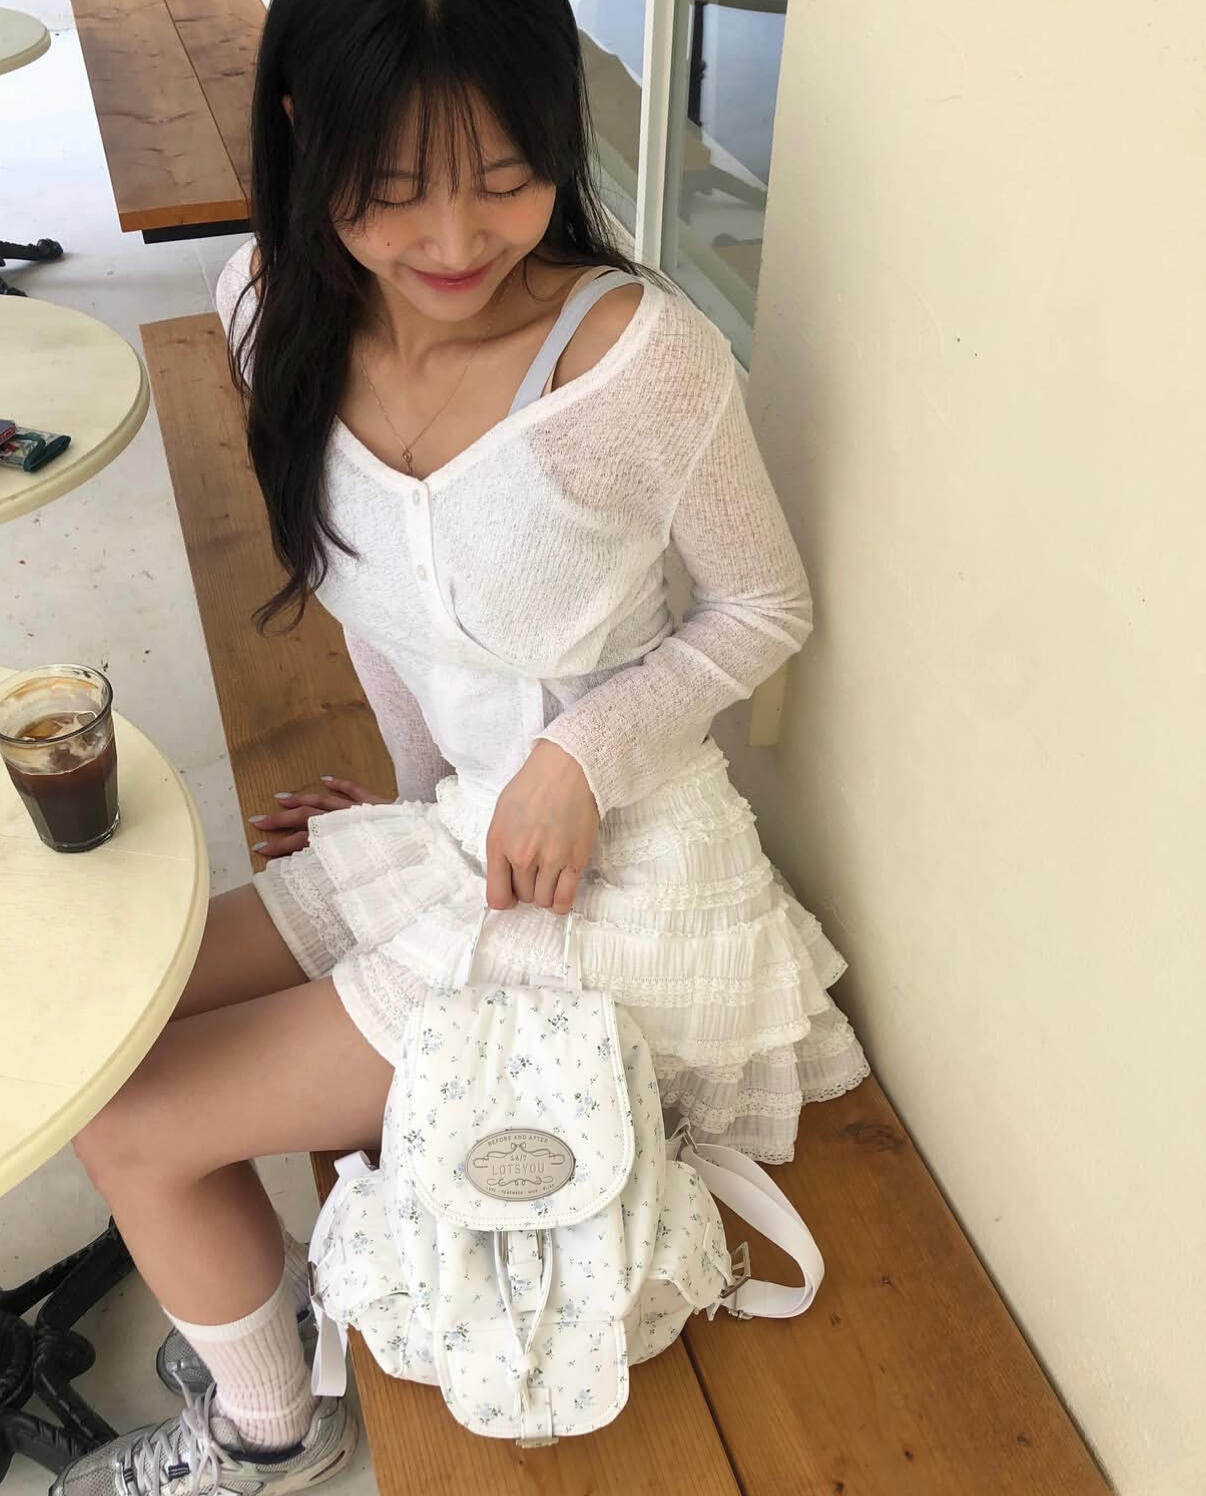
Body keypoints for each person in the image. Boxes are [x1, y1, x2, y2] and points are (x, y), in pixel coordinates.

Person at [58, 0, 869, 1491]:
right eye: (392, 186)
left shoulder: (631, 359)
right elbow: (370, 593)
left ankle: (265, 1431)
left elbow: (766, 605)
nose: (453, 238)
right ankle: (255, 1309)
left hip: (621, 880)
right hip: (469, 832)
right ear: (304, 137)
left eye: (504, 178)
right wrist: (416, 806)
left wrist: (579, 759)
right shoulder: (264, 304)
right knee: (104, 1018)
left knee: (128, 1125)